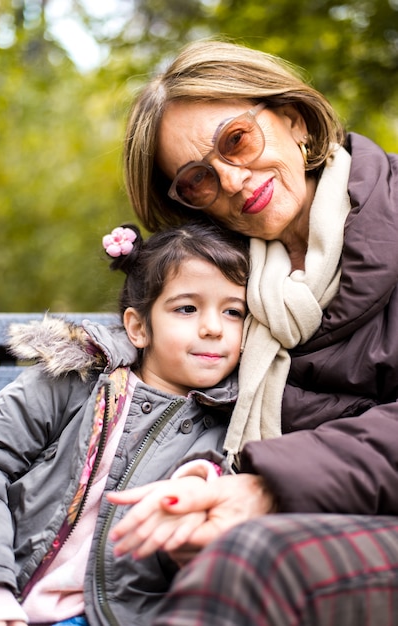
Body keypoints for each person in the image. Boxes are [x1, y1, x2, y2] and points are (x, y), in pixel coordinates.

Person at [108, 39, 398, 625]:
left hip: (308, 533)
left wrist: (269, 487)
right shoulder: (225, 291)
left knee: (258, 559)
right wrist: (199, 485)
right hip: (314, 527)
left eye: (236, 140)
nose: (234, 181)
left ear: (294, 120)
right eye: (198, 180)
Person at [0, 220, 250, 626]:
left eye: (233, 311)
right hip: (6, 592)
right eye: (187, 308)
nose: (213, 327)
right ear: (139, 327)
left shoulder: (233, 423)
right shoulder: (74, 381)